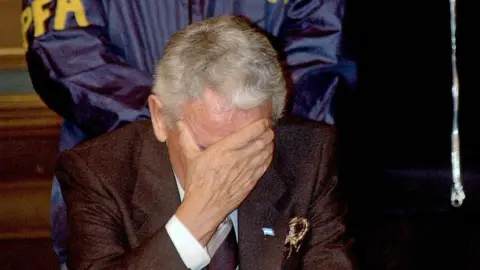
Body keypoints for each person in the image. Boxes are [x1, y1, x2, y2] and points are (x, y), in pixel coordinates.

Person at [21, 0, 356, 267]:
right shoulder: (96, 175)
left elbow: (320, 47)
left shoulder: (310, 157)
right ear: (159, 117)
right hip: (129, 152)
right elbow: (65, 55)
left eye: (243, 148)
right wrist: (196, 211)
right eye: (208, 147)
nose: (225, 166)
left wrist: (241, 117)